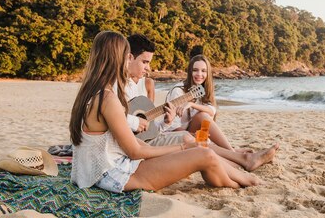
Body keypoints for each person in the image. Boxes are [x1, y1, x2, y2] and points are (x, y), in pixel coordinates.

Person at [69, 31, 261, 193]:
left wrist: (179, 145)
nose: (129, 60)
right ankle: (245, 181)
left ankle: (239, 179)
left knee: (203, 153)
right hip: (113, 175)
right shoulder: (108, 98)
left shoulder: (94, 92)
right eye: (127, 56)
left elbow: (131, 141)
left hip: (107, 168)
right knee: (205, 155)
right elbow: (136, 152)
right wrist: (182, 148)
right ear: (116, 58)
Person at [165, 53, 279, 172]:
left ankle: (234, 153)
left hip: (191, 131)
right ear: (190, 72)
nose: (199, 74)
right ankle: (242, 158)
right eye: (195, 70)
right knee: (205, 141)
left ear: (208, 73)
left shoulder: (201, 90)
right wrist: (192, 137)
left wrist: (192, 104)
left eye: (203, 71)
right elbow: (172, 125)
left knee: (203, 116)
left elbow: (211, 111)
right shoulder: (178, 92)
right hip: (177, 135)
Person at [125, 34, 193, 148]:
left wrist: (166, 122)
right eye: (145, 62)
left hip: (143, 142)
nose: (148, 68)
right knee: (187, 139)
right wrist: (136, 122)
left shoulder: (133, 86)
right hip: (134, 147)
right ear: (129, 58)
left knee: (189, 138)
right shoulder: (114, 86)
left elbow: (149, 131)